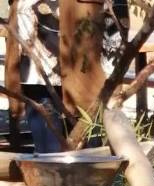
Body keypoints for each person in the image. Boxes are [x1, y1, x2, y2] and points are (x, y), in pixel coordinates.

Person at [8, 0, 128, 153]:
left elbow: (117, 25)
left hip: (88, 82)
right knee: (50, 158)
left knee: (90, 157)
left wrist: (112, 81)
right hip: (38, 77)